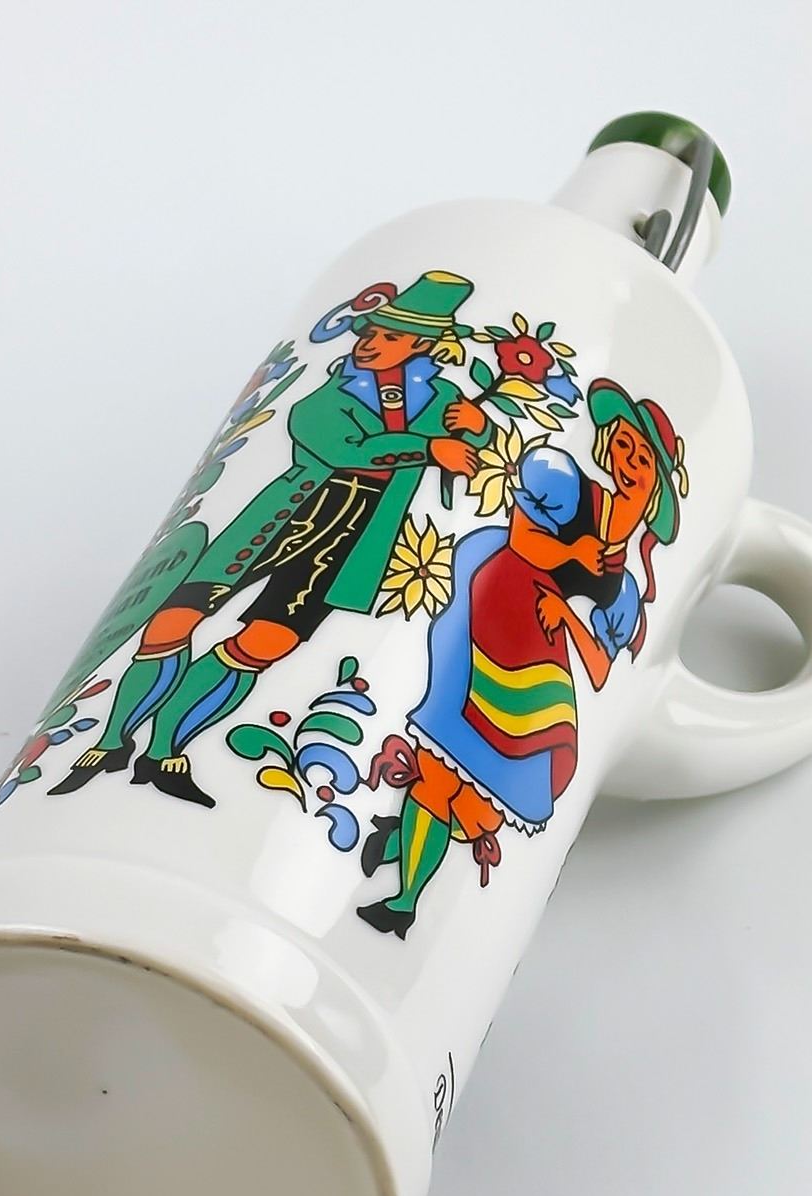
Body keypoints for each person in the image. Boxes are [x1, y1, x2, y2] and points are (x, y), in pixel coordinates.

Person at [50, 271, 493, 806]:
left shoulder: (441, 397)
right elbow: (339, 445)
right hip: (286, 513)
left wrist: (477, 425)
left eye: (390, 336)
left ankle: (165, 750)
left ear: (421, 345)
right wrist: (428, 448)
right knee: (175, 618)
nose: (371, 343)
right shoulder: (334, 389)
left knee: (267, 643)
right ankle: (109, 743)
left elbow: (474, 448)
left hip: (356, 536)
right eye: (370, 332)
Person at [358, 383, 688, 938]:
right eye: (625, 444)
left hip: (539, 673)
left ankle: (400, 844)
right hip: (488, 624)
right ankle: (403, 903)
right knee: (439, 774)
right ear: (607, 443)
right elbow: (521, 540)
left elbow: (600, 670)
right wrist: (572, 552)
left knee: (481, 806)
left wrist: (569, 616)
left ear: (657, 486)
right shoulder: (563, 483)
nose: (630, 462)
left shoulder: (626, 591)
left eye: (644, 459)